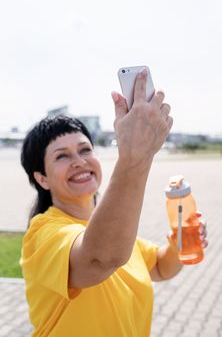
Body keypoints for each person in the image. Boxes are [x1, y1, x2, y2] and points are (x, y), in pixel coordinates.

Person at [20, 68, 208, 337]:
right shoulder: (43, 233)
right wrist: (136, 155)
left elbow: (159, 266)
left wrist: (182, 237)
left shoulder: (114, 229)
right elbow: (99, 258)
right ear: (42, 179)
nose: (79, 161)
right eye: (62, 156)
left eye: (85, 150)